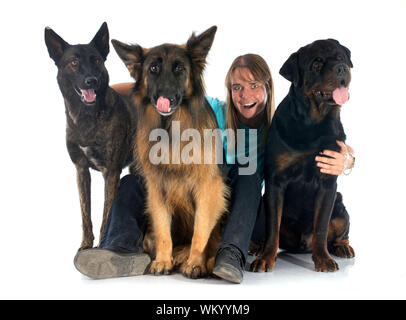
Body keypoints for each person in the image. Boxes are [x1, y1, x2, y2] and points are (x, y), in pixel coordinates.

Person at [74, 54, 355, 282]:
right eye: (237, 87)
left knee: (248, 173)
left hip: (241, 214)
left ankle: (230, 254)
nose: (246, 95)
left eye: (255, 85)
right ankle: (118, 249)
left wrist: (349, 160)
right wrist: (104, 92)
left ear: (269, 88)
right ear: (229, 90)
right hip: (198, 200)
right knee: (134, 179)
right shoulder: (214, 110)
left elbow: (315, 145)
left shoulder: (278, 130)